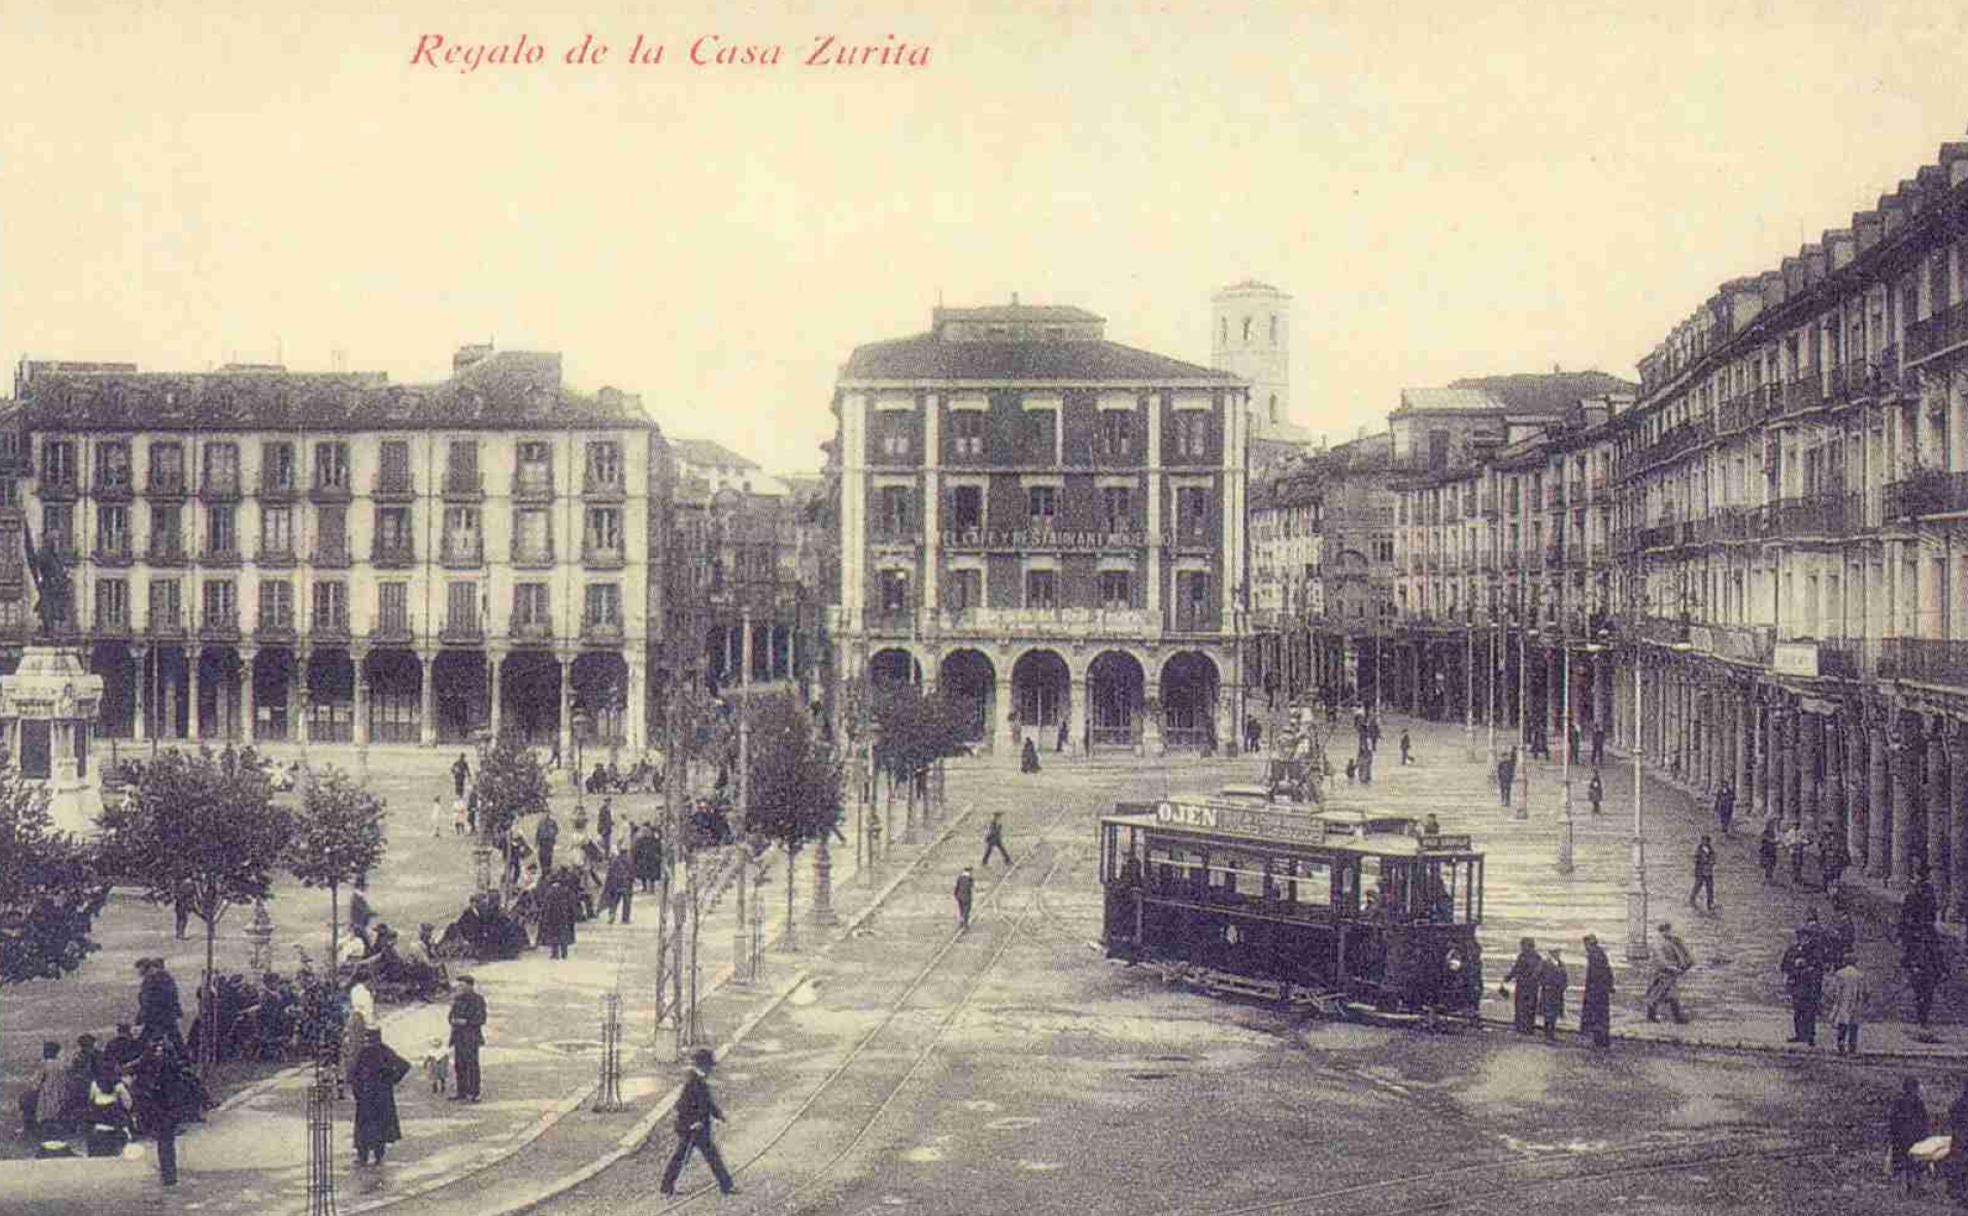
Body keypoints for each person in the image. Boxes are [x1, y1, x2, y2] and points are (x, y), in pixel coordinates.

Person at [660, 1048, 737, 1196]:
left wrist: (719, 1115)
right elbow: (681, 1107)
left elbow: (707, 1103)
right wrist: (692, 1123)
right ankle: (666, 1187)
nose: (711, 1070)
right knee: (682, 1157)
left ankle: (726, 1186)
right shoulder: (692, 1082)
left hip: (699, 1128)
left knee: (709, 1156)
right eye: (709, 1066)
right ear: (703, 1066)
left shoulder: (700, 1081)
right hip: (691, 1129)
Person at [133, 1039, 198, 1187]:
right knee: (166, 1142)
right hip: (167, 1108)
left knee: (165, 1142)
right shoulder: (169, 1067)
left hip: (163, 1108)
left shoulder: (156, 1067)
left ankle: (169, 1176)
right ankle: (169, 1176)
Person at [349, 1028, 410, 1166]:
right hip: (379, 1095)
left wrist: (357, 1090)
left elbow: (354, 1074)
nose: (368, 1042)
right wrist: (392, 1080)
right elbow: (404, 1066)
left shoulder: (365, 1052)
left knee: (366, 1127)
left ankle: (365, 1156)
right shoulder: (384, 1051)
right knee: (378, 1127)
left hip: (369, 1095)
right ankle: (375, 1156)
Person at [1780, 927, 1825, 1047]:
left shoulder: (1814, 951)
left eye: (1805, 936)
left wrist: (1807, 968)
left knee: (1810, 1011)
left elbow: (1819, 968)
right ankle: (1799, 1034)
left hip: (1810, 985)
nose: (1802, 939)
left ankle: (1810, 1035)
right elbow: (1785, 966)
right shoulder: (1792, 950)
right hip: (1796, 984)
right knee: (1798, 1010)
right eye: (1800, 936)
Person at [1887, 1075, 1929, 1197]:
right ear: (1915, 1088)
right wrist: (1924, 1137)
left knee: (1901, 1165)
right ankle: (1915, 1189)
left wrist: (1892, 1137)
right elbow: (1924, 1122)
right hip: (1915, 1139)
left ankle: (1902, 1190)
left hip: (1900, 1139)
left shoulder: (1898, 1102)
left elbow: (1892, 1121)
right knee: (1915, 1165)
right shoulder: (1919, 1103)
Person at [83, 1059, 134, 1158]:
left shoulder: (95, 1084)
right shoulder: (118, 1085)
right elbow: (128, 1102)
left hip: (99, 1118)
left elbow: (90, 1099)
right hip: (114, 1118)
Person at [448, 975, 487, 1102]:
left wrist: (465, 1022)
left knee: (472, 1065)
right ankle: (461, 1091)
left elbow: (481, 1019)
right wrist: (453, 1020)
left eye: (462, 985)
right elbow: (450, 1016)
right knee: (459, 1065)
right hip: (458, 1036)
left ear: (470, 986)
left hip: (471, 1037)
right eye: (458, 986)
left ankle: (475, 1093)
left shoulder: (478, 1000)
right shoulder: (457, 999)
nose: (459, 988)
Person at [1645, 922, 1693, 1023]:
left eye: (1668, 930)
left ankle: (1676, 1016)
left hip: (1670, 973)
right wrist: (1672, 967)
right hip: (1661, 974)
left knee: (1669, 994)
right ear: (1661, 932)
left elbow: (1682, 954)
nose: (1668, 933)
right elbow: (1661, 960)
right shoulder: (1658, 944)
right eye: (1665, 931)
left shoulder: (1673, 941)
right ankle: (1655, 1014)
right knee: (1662, 994)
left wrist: (1685, 964)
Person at [1904, 929, 1951, 1029]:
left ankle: (1923, 1020)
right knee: (1920, 997)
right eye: (1924, 938)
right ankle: (1921, 1019)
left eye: (1929, 939)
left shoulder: (1935, 950)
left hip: (1931, 975)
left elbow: (1940, 962)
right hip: (1918, 974)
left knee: (1928, 998)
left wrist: (1944, 972)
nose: (1926, 940)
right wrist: (1912, 967)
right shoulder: (1913, 948)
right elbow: (1905, 961)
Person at [137, 957, 185, 1052]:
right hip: (159, 1016)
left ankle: (183, 1058)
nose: (139, 972)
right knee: (174, 1037)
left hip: (160, 1016)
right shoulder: (152, 979)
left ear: (145, 967)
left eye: (140, 968)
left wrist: (145, 1015)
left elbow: (160, 999)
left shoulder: (158, 978)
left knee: (172, 1037)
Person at [1825, 953, 1866, 1056]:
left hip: (1843, 1001)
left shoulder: (1840, 974)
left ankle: (1841, 1045)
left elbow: (1835, 990)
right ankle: (1852, 1046)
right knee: (1853, 1025)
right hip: (1855, 1002)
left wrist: (1833, 1000)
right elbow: (1863, 991)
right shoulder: (1859, 975)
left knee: (1842, 1024)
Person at [1500, 937, 1541, 1034]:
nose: (1522, 947)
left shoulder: (1524, 957)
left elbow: (1516, 969)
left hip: (1525, 986)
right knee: (1528, 1007)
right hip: (1531, 987)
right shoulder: (1537, 957)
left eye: (1523, 945)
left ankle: (1521, 1027)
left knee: (1522, 1007)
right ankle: (1528, 1028)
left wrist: (1508, 978)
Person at [1580, 935, 1614, 1049]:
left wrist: (1590, 990)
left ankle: (1598, 1040)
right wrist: (1610, 986)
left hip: (1595, 991)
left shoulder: (1593, 956)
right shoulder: (1600, 953)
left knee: (1595, 1016)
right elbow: (1608, 970)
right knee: (1602, 1016)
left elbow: (1594, 976)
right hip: (1602, 991)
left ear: (1589, 944)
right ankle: (1603, 1040)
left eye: (1586, 945)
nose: (1585, 948)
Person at [540, 870, 579, 960]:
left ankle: (555, 953)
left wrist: (545, 917)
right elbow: (572, 904)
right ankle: (564, 952)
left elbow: (547, 906)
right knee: (563, 934)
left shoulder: (550, 892)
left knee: (554, 935)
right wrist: (572, 916)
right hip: (565, 917)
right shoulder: (567, 891)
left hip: (553, 917)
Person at [1537, 947, 1569, 1043]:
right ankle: (1548, 1034)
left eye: (1558, 952)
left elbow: (1565, 977)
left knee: (1554, 1013)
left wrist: (1564, 986)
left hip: (1558, 992)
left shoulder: (1562, 964)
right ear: (1551, 953)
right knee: (1548, 1013)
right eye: (1555, 952)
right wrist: (1544, 984)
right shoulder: (1544, 963)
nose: (1557, 954)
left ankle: (1551, 1034)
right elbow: (1537, 975)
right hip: (1548, 991)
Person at [1944, 1076, 1968, 1202]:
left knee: (1958, 1165)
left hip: (1959, 1137)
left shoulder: (1958, 1103)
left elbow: (1951, 1113)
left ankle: (1958, 1191)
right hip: (1962, 1137)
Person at [604, 846, 635, 925]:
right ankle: (625, 918)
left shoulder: (615, 860)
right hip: (626, 884)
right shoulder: (629, 860)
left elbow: (610, 873)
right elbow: (632, 871)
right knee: (627, 902)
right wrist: (631, 880)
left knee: (614, 901)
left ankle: (612, 914)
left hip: (616, 884)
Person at [1690, 835, 1716, 911]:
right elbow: (1695, 859)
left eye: (1706, 841)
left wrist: (1710, 862)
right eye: (1703, 841)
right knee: (1697, 886)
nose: (1705, 842)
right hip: (1700, 871)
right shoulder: (1699, 850)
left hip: (1708, 872)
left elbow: (1713, 860)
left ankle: (1710, 902)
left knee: (1710, 888)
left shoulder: (1711, 850)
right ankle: (1692, 898)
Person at [537, 810, 560, 874]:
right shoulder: (541, 822)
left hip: (549, 843)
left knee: (548, 857)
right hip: (542, 843)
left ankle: (547, 871)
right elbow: (538, 832)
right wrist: (537, 841)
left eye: (546, 812)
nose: (545, 814)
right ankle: (543, 871)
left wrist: (551, 834)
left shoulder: (552, 822)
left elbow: (556, 831)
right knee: (541, 857)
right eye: (544, 812)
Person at [1757, 819, 1779, 884]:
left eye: (1773, 826)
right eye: (1771, 825)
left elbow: (1775, 841)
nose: (1772, 827)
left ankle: (1770, 879)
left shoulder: (1773, 833)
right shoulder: (1765, 833)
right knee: (1767, 866)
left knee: (1772, 865)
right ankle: (1766, 879)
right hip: (1766, 853)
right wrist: (1774, 841)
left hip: (1772, 852)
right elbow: (1766, 839)